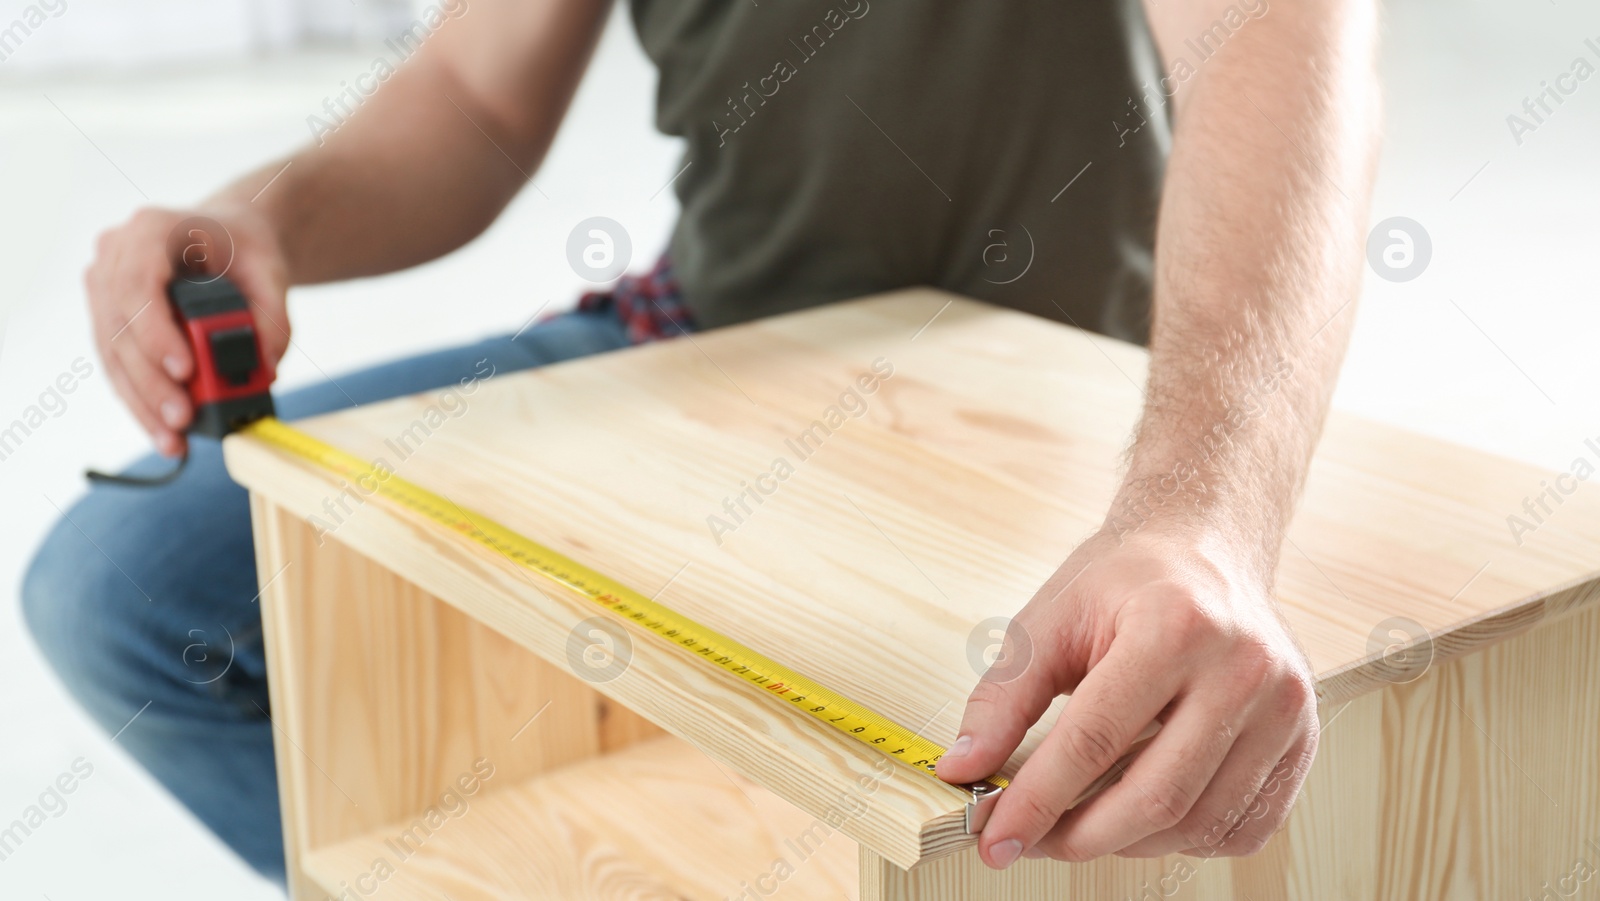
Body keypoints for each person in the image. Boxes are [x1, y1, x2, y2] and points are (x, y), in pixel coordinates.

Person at [22, 0, 1379, 883]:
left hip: (1063, 413)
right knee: (127, 591)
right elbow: (477, 98)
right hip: (706, 334)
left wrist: (1201, 509)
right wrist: (268, 214)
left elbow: (1282, 32)